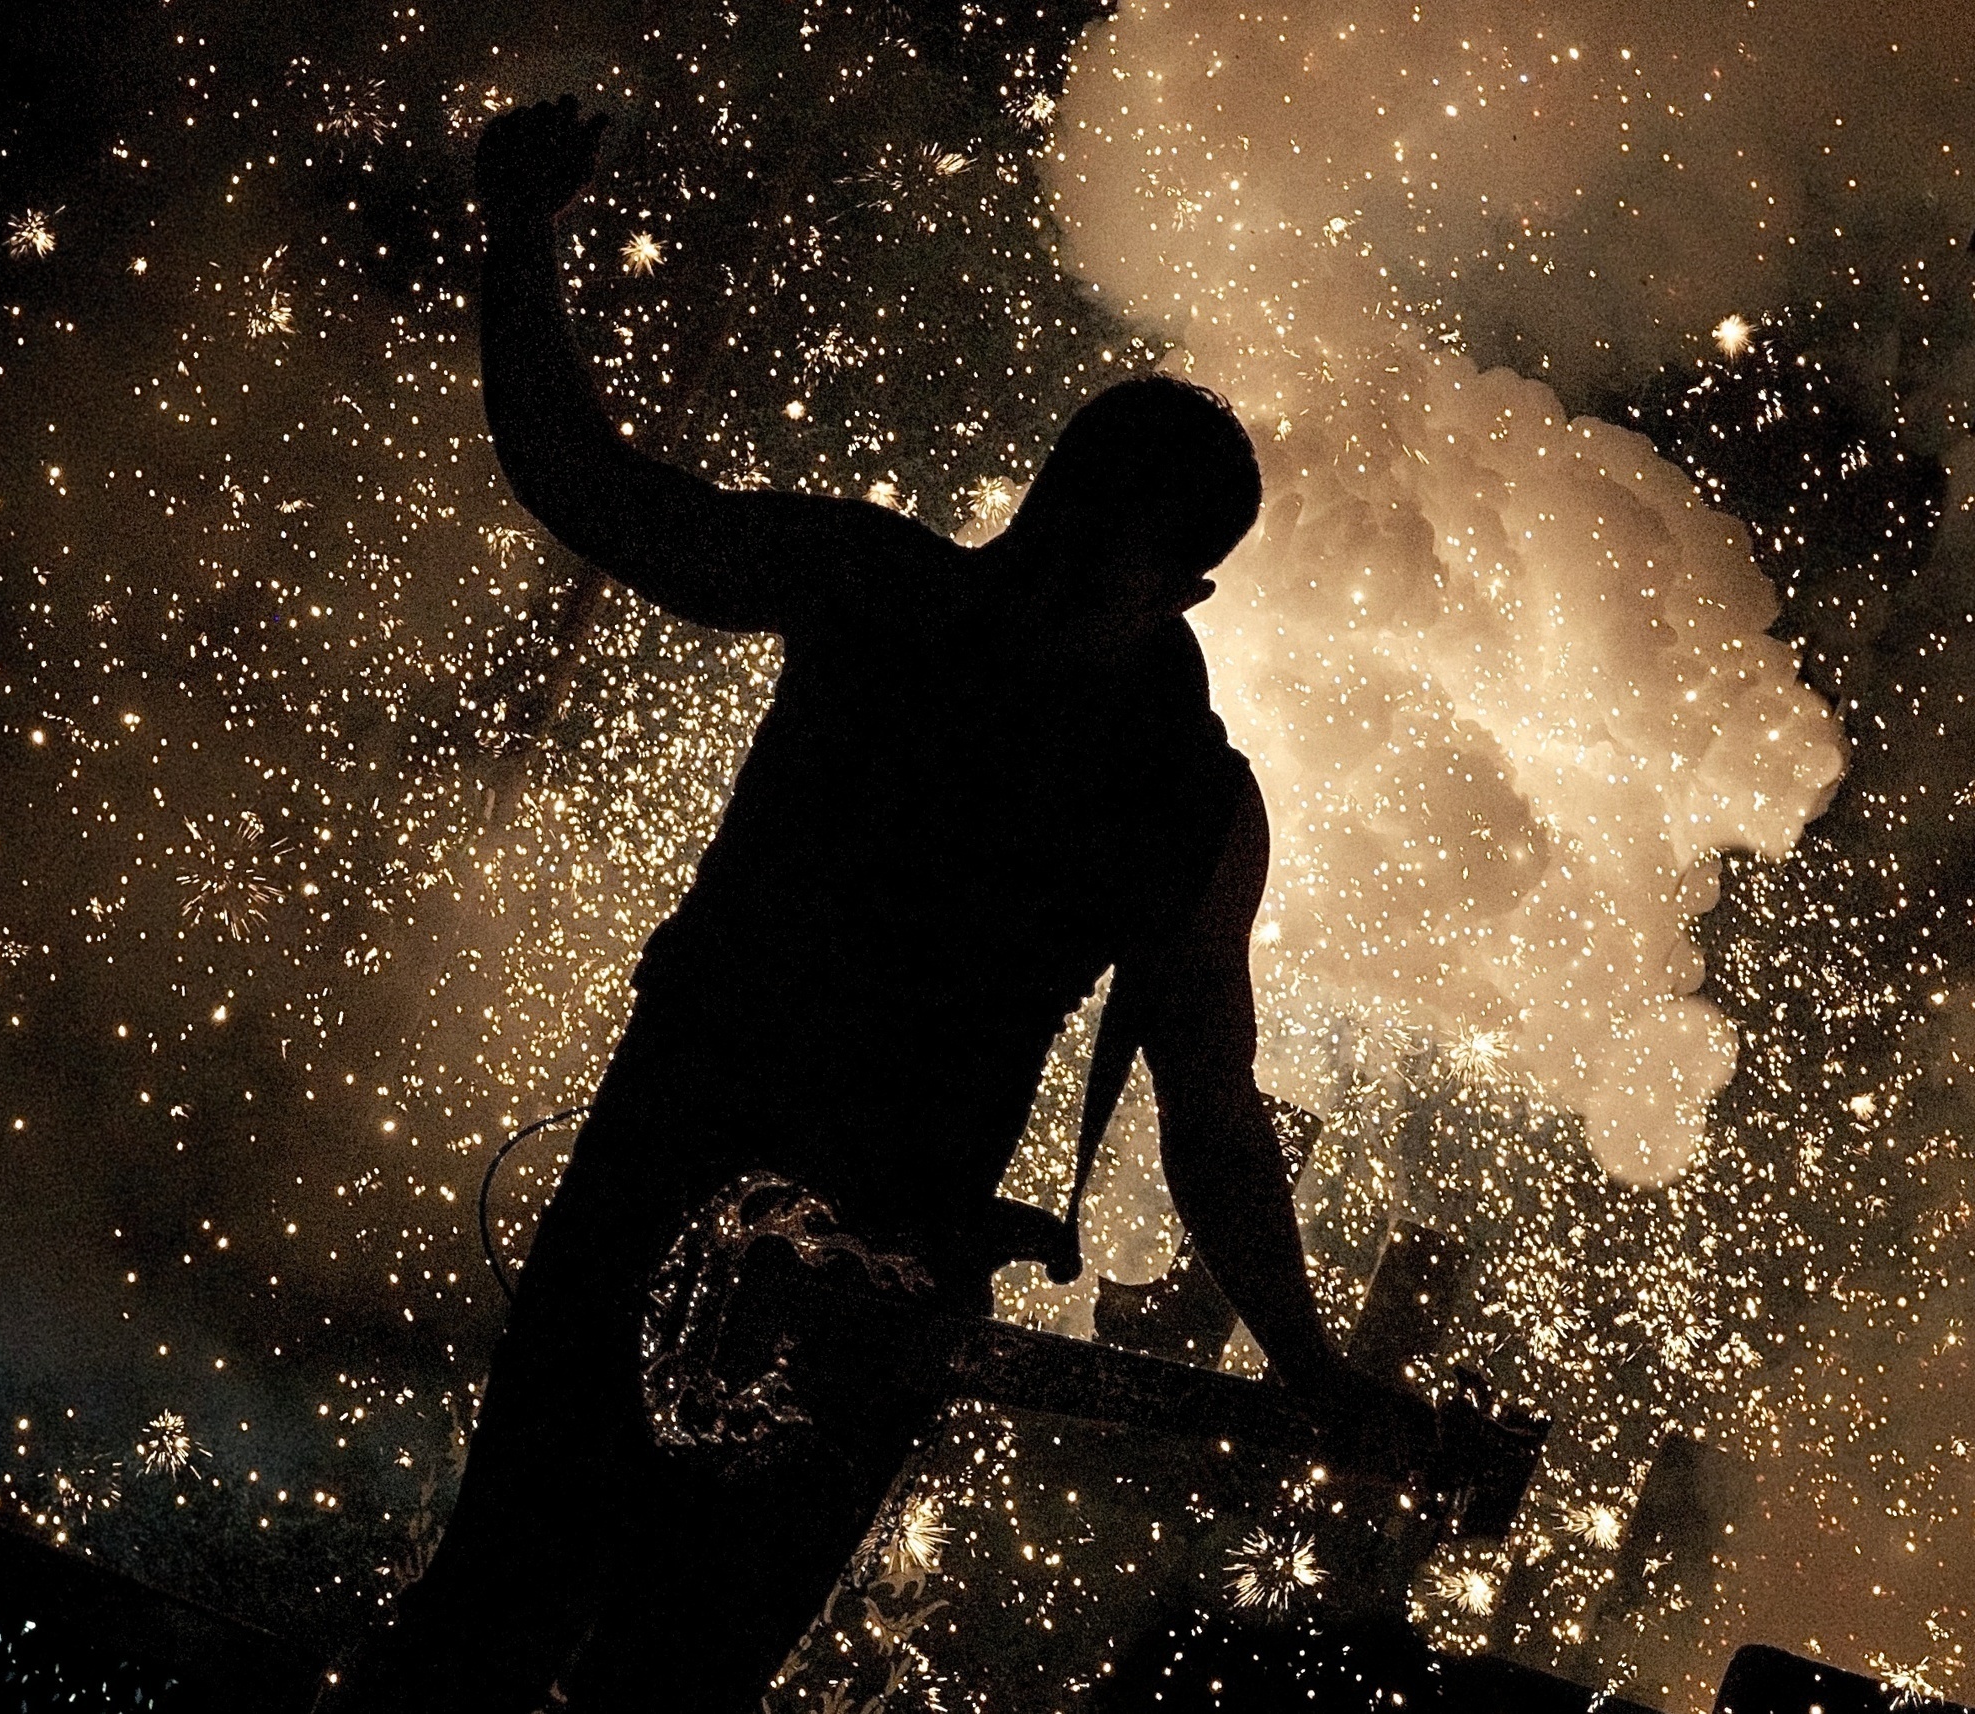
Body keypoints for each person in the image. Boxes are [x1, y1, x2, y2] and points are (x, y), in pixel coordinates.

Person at [315, 96, 1422, 1714]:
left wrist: (1309, 1360)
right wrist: (518, 240)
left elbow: (1211, 1109)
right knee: (491, 1639)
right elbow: (591, 489)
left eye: (1090, 561)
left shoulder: (1167, 791)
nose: (1046, 580)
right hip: (680, 1210)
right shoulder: (889, 599)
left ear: (1178, 590)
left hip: (853, 1292)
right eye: (1054, 534)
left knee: (640, 1683)